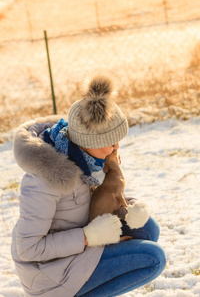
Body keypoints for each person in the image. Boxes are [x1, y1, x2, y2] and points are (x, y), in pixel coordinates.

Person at [11, 75, 166, 297]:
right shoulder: (43, 180)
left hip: (79, 249)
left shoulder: (88, 160)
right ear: (88, 142)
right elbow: (28, 248)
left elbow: (91, 204)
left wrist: (127, 208)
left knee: (148, 229)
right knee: (153, 258)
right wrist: (88, 237)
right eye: (110, 142)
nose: (116, 147)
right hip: (51, 274)